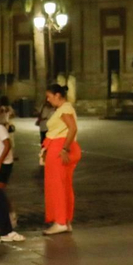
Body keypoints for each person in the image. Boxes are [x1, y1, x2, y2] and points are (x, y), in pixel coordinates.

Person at [41, 84, 81, 234]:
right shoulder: (65, 108)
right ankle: (65, 220)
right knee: (64, 186)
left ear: (58, 95)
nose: (48, 99)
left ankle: (60, 221)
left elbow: (73, 128)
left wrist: (64, 148)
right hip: (61, 146)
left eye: (50, 96)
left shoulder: (64, 109)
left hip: (60, 147)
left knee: (56, 186)